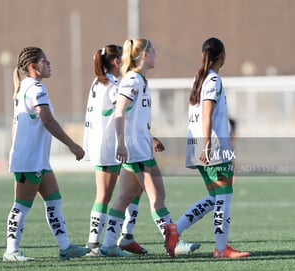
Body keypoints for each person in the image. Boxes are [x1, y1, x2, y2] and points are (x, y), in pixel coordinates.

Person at [98, 38, 200, 257]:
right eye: (153, 51)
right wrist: (123, 144)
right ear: (144, 55)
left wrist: (150, 136)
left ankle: (107, 245)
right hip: (135, 150)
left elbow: (133, 117)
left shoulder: (139, 80)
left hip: (139, 146)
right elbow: (119, 113)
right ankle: (173, 242)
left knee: (124, 197)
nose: (156, 54)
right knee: (157, 196)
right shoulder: (133, 80)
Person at [3, 46, 90, 261]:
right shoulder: (35, 88)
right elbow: (48, 121)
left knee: (54, 201)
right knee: (21, 206)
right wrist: (72, 145)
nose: (49, 64)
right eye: (44, 61)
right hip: (28, 160)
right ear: (33, 66)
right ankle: (11, 251)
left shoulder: (26, 85)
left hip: (38, 159)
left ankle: (65, 246)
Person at [170, 37, 250, 258]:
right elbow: (207, 115)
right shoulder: (213, 79)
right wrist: (207, 146)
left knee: (215, 198)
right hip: (212, 146)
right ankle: (221, 249)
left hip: (197, 146)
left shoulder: (200, 78)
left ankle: (175, 230)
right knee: (224, 197)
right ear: (222, 56)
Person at [83, 44, 147, 255]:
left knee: (134, 188)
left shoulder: (98, 82)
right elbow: (124, 110)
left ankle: (126, 235)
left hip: (102, 142)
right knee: (106, 194)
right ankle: (96, 244)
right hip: (110, 144)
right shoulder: (113, 84)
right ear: (116, 62)